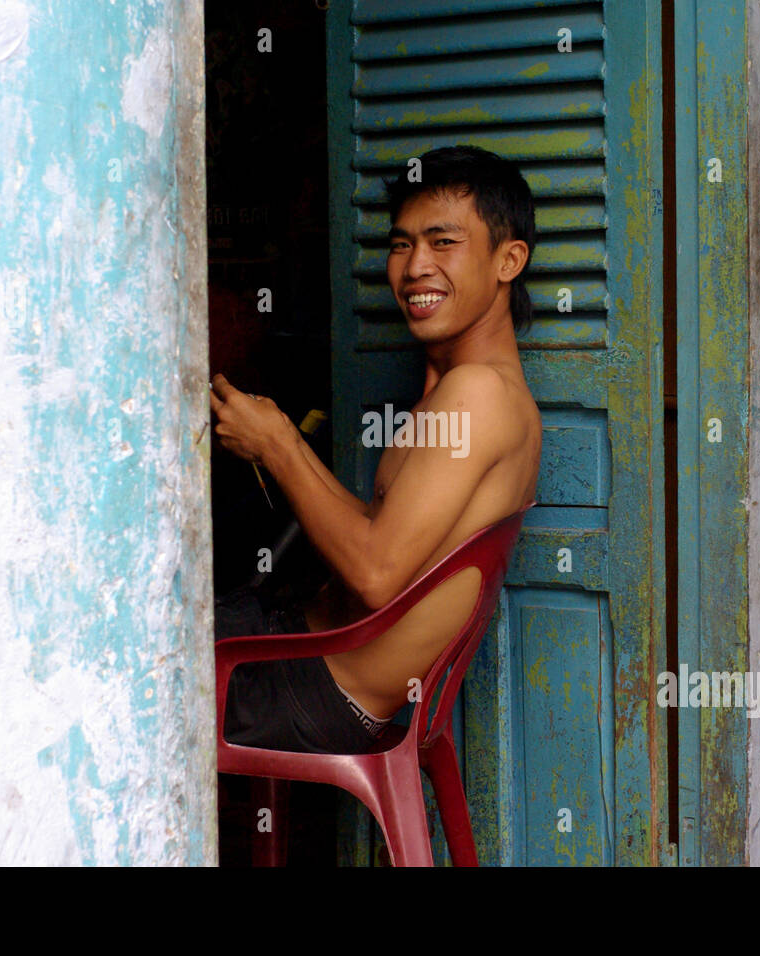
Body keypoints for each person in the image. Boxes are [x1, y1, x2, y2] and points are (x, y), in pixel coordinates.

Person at [210, 144, 542, 754]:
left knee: (114, 669)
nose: (415, 266)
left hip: (316, 688)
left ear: (508, 259)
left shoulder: (480, 394)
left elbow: (375, 575)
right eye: (400, 244)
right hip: (300, 655)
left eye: (443, 243)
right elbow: (383, 537)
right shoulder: (461, 388)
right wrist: (276, 437)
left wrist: (281, 445)